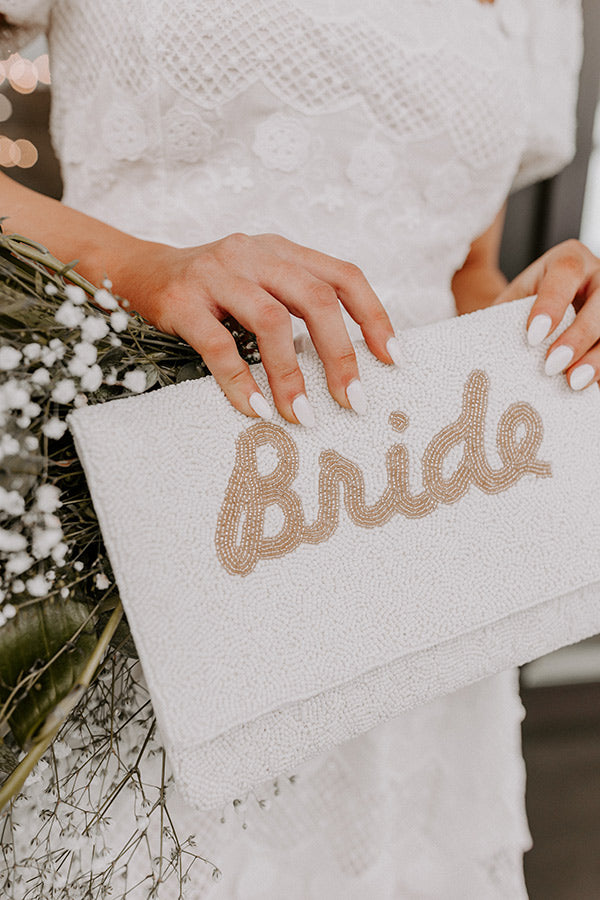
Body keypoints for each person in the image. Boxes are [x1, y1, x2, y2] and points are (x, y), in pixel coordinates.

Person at [0, 1, 595, 897]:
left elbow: (459, 272)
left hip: (414, 557)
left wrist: (547, 332)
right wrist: (137, 264)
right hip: (156, 543)